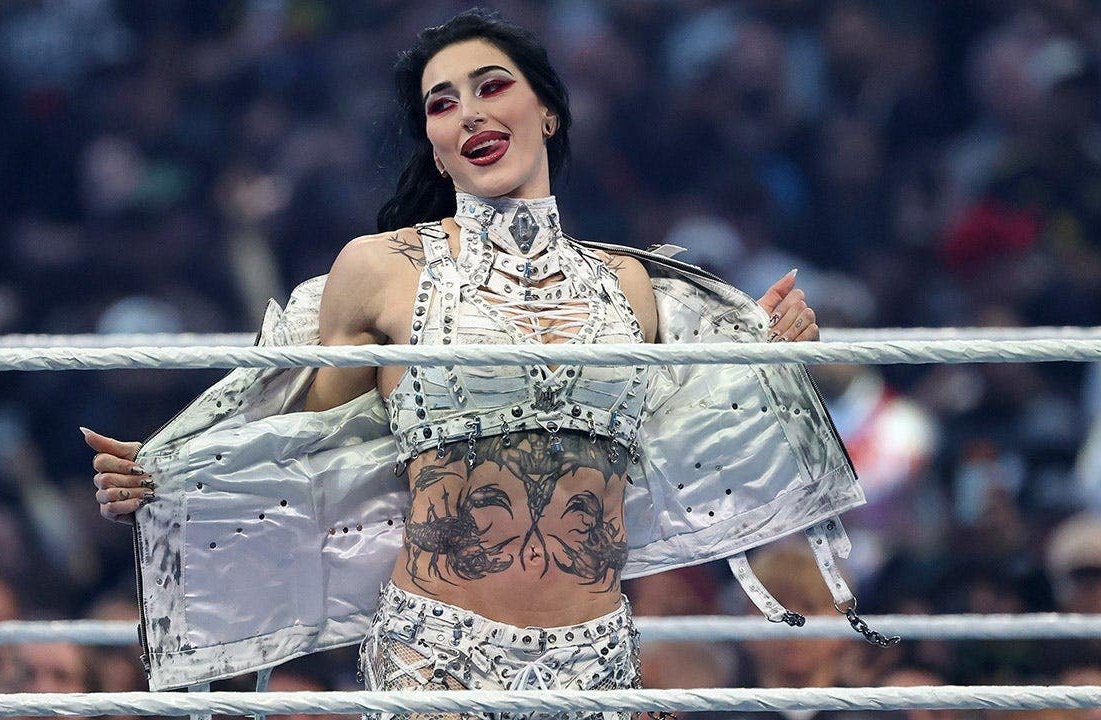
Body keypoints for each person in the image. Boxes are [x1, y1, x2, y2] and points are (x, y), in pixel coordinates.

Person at [86, 7, 863, 715]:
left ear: (548, 111)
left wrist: (772, 349)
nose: (470, 113)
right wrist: (166, 476)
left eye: (492, 86)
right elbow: (302, 442)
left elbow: (695, 429)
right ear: (434, 144)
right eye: (442, 102)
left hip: (596, 657)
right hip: (435, 659)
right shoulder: (378, 269)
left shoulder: (628, 283)